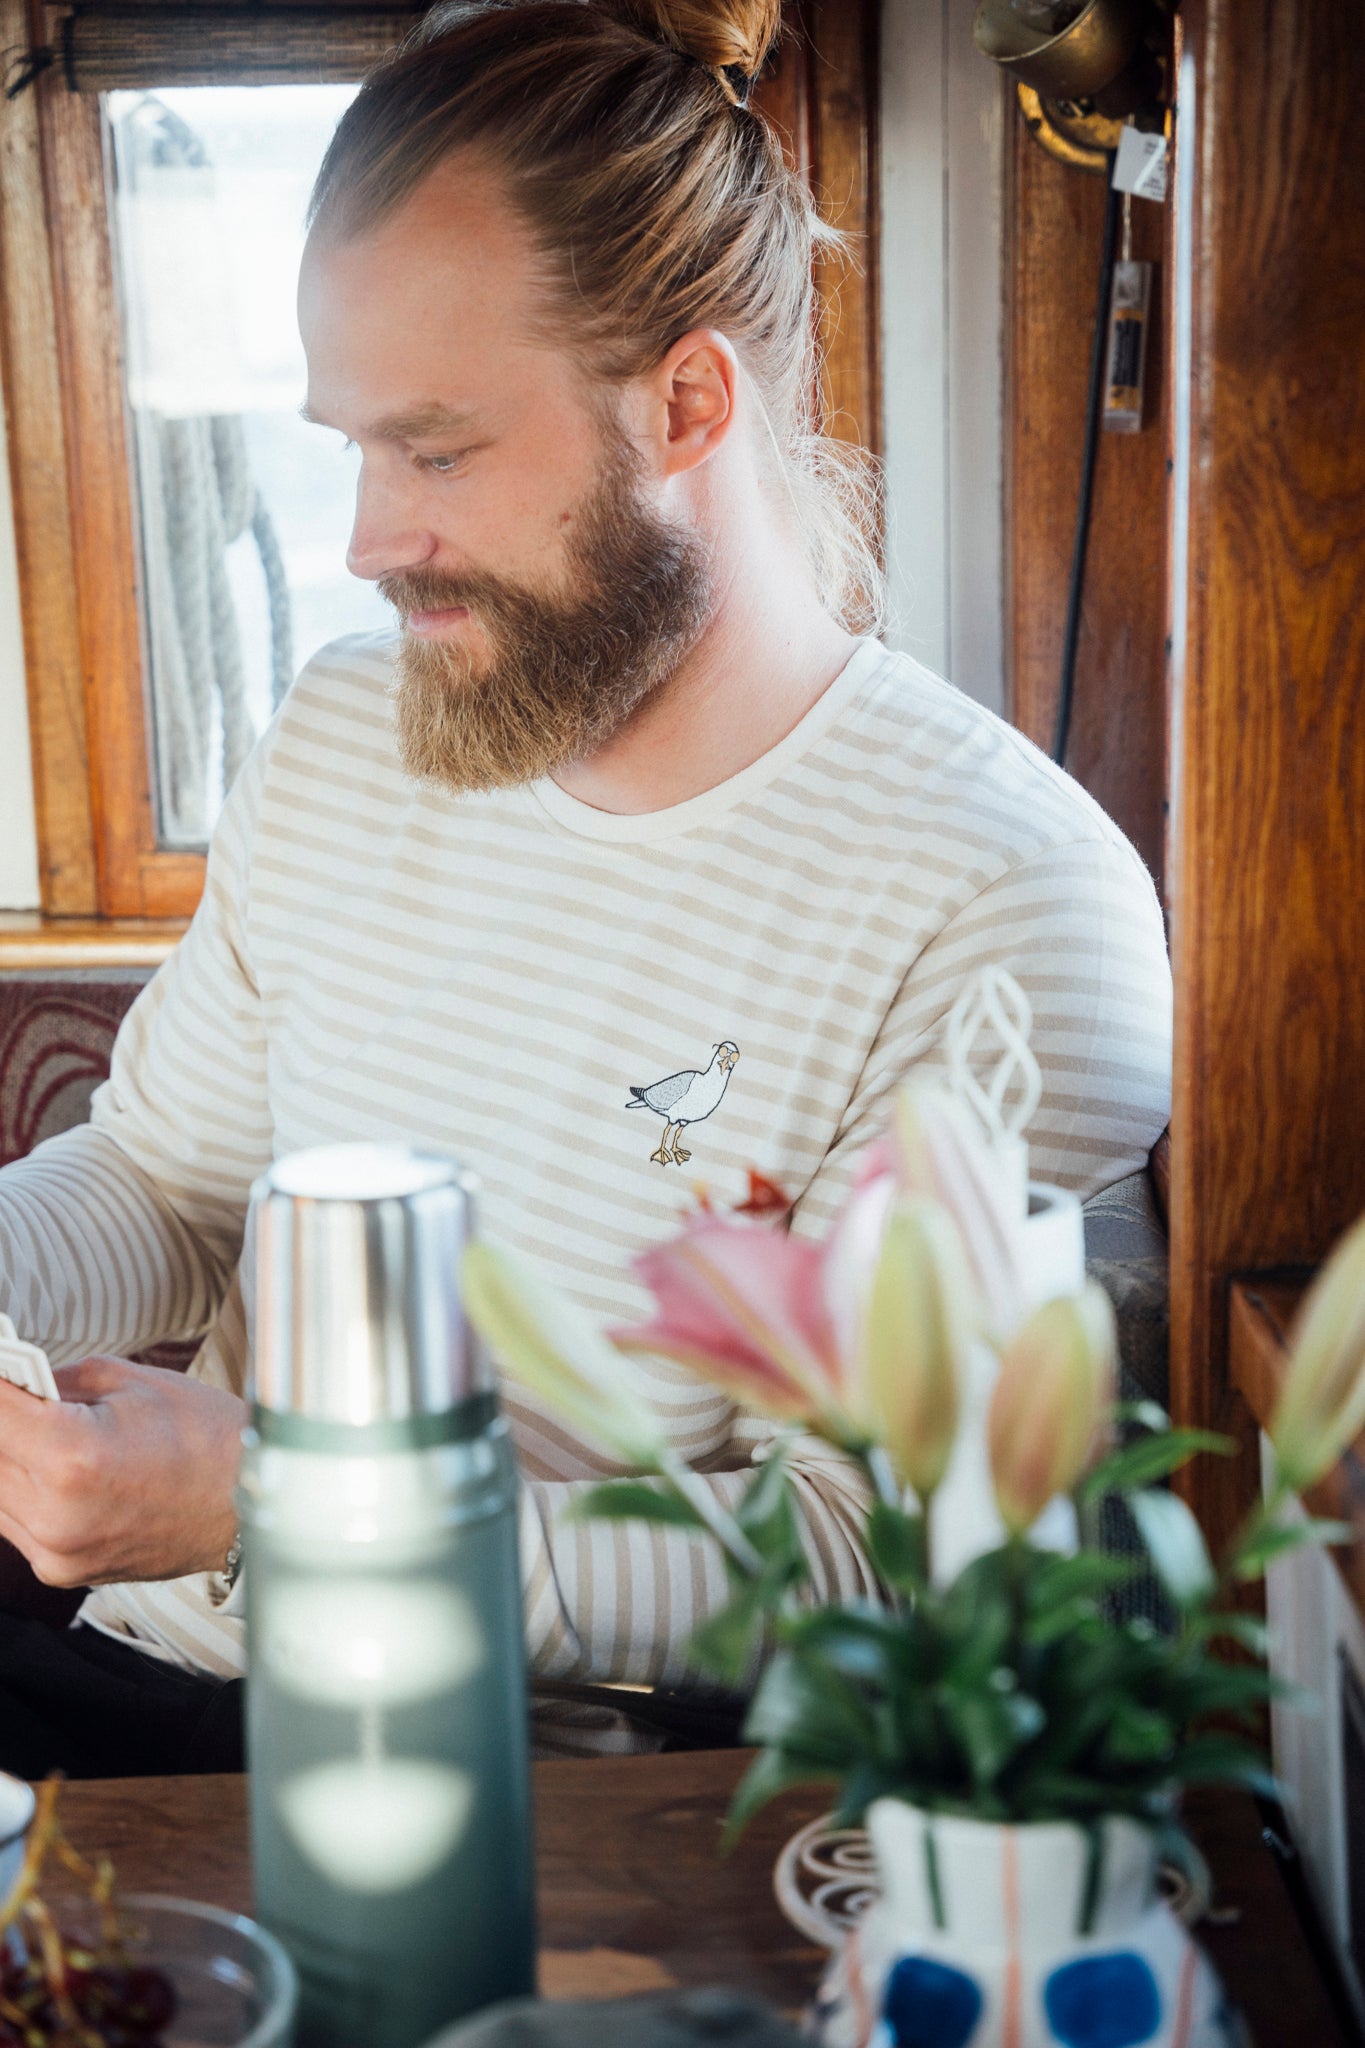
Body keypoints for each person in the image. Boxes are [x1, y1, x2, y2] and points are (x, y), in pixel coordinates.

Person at [0, 0, 1172, 1775]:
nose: (367, 540)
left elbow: (880, 1569)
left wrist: (298, 1513)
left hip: (532, 1790)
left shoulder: (1003, 902)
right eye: (354, 447)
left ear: (688, 400)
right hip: (140, 1660)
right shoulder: (343, 731)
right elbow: (167, 1179)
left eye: (440, 450)